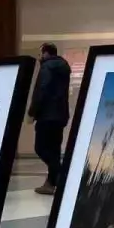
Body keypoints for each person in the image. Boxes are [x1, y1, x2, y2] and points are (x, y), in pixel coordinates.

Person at [28, 43, 71, 195]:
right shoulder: (64, 67)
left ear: (46, 53)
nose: (39, 57)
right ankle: (51, 183)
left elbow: (42, 90)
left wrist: (32, 112)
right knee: (54, 149)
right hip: (61, 115)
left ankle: (61, 174)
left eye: (40, 54)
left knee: (40, 147)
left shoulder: (47, 67)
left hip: (47, 115)